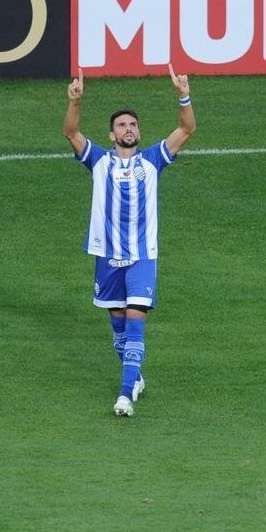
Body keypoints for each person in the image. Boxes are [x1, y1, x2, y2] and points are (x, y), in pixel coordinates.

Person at [63, 64, 196, 416]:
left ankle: (125, 394)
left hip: (141, 256)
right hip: (106, 255)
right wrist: (75, 102)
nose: (128, 129)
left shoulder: (153, 160)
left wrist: (183, 95)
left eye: (133, 124)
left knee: (136, 319)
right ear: (111, 134)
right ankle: (134, 374)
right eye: (121, 125)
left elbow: (187, 128)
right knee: (118, 324)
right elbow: (70, 132)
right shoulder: (99, 161)